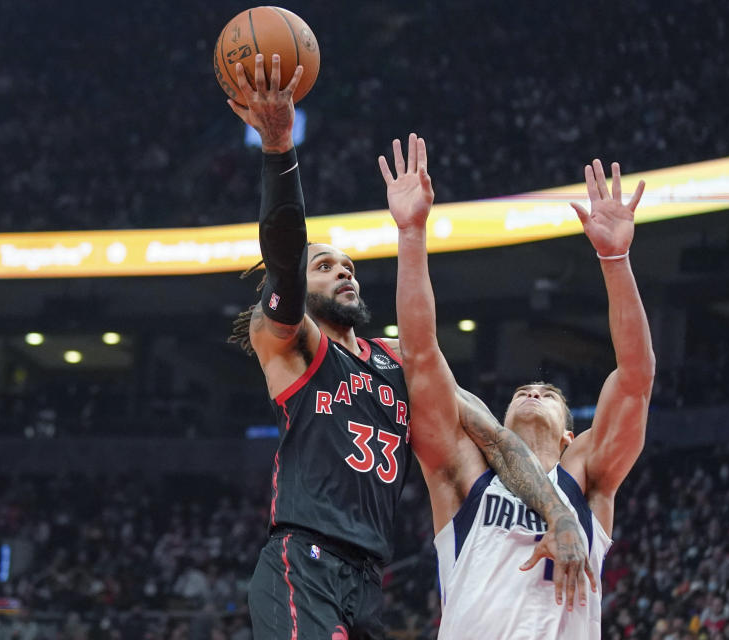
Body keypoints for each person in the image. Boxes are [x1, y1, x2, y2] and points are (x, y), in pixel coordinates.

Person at [226, 55, 592, 639]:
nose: (344, 273)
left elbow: (497, 438)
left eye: (349, 266)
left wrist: (559, 514)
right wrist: (278, 147)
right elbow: (285, 244)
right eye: (325, 266)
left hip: (368, 579)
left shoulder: (393, 363)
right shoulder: (288, 345)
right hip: (303, 562)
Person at [381, 136, 653, 638]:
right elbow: (421, 360)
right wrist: (411, 232)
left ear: (572, 437)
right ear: (499, 424)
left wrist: (616, 261)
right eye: (523, 391)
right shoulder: (466, 475)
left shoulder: (588, 481)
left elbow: (635, 379)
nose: (533, 392)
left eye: (549, 394)